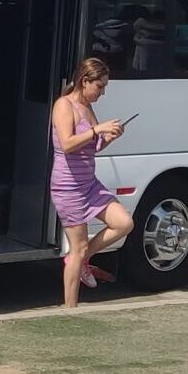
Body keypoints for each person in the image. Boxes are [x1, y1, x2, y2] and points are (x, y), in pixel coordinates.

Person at [49, 56, 133, 309]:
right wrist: (97, 130)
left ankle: (84, 260)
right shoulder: (64, 105)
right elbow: (67, 144)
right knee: (78, 247)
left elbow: (91, 148)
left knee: (124, 223)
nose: (102, 92)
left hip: (89, 183)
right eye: (100, 86)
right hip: (68, 187)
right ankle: (70, 308)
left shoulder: (87, 107)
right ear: (85, 81)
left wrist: (110, 136)